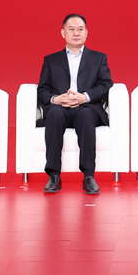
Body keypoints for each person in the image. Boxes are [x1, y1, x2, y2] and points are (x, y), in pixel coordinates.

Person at [36, 14, 114, 195]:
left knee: (85, 116)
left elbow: (106, 84)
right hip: (60, 107)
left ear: (86, 33)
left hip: (87, 107)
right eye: (71, 29)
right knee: (54, 114)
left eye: (80, 29)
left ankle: (89, 176)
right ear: (63, 33)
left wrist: (85, 97)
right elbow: (43, 89)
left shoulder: (99, 58)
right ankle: (54, 176)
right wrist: (56, 99)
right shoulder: (51, 60)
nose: (76, 33)